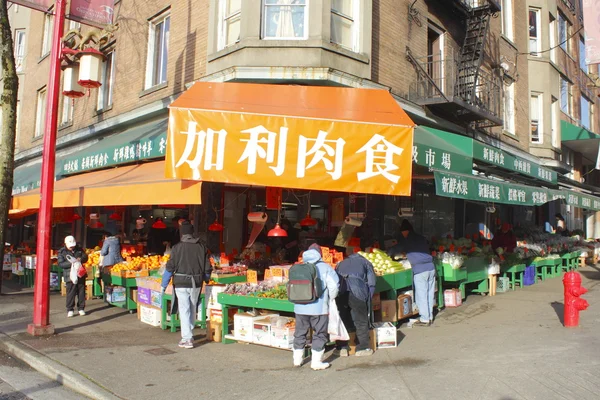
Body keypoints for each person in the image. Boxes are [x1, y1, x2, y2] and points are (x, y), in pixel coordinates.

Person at [161, 222, 211, 349]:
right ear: (192, 232)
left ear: (182, 233)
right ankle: (190, 332)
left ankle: (187, 338)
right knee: (192, 307)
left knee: (184, 309)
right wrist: (206, 279)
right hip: (197, 282)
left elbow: (170, 267)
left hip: (181, 282)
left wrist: (164, 284)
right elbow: (207, 267)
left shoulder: (177, 248)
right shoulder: (202, 247)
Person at [292, 244, 339, 370]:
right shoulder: (325, 267)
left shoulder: (298, 267)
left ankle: (297, 360)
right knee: (320, 333)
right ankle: (316, 362)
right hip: (319, 309)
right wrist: (331, 298)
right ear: (320, 254)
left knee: (300, 333)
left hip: (300, 307)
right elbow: (334, 286)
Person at [387, 220, 435, 327]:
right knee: (429, 294)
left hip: (420, 270)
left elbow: (397, 248)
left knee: (421, 294)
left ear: (406, 231)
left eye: (403, 232)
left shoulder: (407, 239)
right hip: (431, 267)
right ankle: (430, 316)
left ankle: (425, 319)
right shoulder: (420, 237)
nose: (402, 234)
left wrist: (388, 253)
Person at [334, 251, 377, 357]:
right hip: (358, 291)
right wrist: (368, 298)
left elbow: (334, 278)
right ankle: (362, 348)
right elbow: (372, 283)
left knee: (342, 319)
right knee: (361, 320)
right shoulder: (365, 262)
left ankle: (342, 348)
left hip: (341, 292)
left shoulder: (341, 263)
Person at [57, 235, 89, 317]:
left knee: (81, 291)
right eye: (70, 246)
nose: (72, 247)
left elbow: (85, 257)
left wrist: (80, 259)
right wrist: (72, 262)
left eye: (73, 246)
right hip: (69, 274)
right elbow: (61, 264)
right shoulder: (62, 252)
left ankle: (81, 308)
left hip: (80, 274)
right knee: (71, 292)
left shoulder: (79, 249)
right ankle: (70, 309)